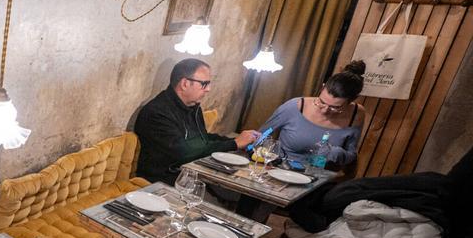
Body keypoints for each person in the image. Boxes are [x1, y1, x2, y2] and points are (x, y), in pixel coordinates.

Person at [133, 58, 261, 183]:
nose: (208, 89)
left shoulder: (192, 107)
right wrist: (234, 144)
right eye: (204, 84)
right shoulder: (157, 113)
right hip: (163, 181)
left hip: (189, 175)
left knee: (246, 179)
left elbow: (202, 140)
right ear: (185, 84)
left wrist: (237, 141)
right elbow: (184, 152)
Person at [258, 60, 367, 169]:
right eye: (322, 102)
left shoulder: (357, 113)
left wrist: (338, 154)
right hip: (282, 169)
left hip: (321, 176)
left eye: (335, 107)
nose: (325, 110)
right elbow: (261, 135)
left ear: (351, 101)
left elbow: (351, 155)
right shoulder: (294, 106)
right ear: (322, 88)